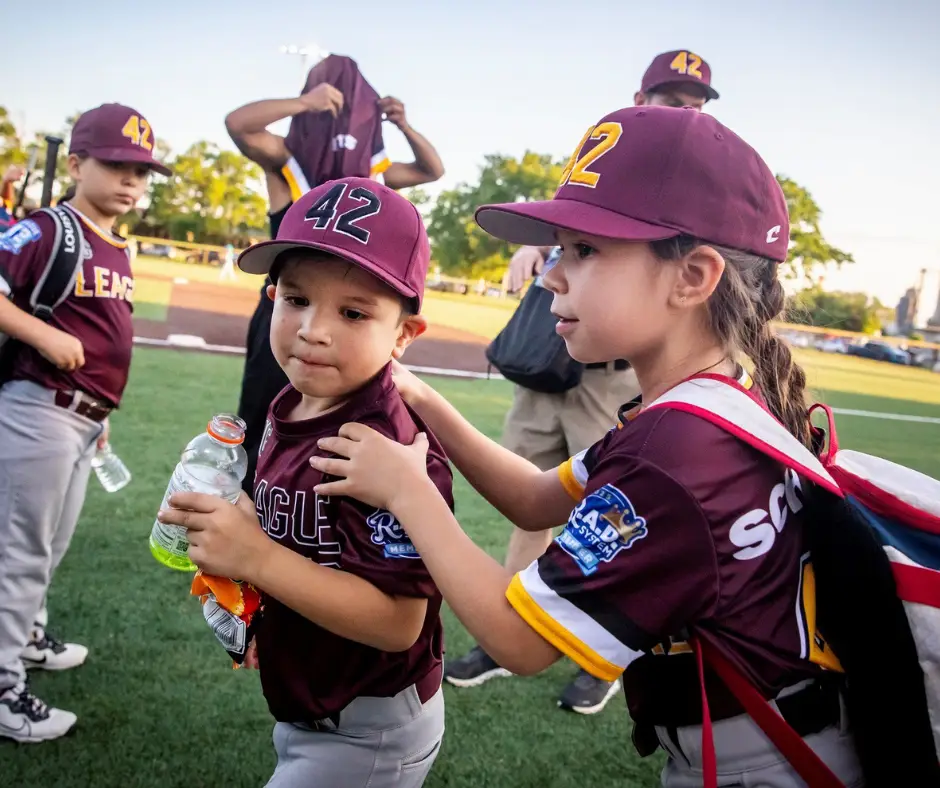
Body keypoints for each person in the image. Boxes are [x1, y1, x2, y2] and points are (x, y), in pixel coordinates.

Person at [303, 106, 866, 786]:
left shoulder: (677, 454)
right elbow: (537, 500)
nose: (550, 277)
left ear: (693, 276)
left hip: (767, 761)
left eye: (585, 251)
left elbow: (520, 642)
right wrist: (423, 398)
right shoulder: (697, 409)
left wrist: (407, 491)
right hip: (778, 736)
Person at [443, 48, 720, 716]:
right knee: (533, 493)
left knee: (614, 514)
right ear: (640, 97)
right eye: (669, 97)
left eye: (694, 102)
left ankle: (610, 652)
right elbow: (530, 500)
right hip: (551, 361)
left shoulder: (703, 184)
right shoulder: (608, 158)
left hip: (611, 377)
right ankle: (512, 619)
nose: (682, 110)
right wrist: (542, 240)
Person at [157, 177, 450, 788]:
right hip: (314, 693)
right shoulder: (292, 399)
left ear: (404, 334)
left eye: (352, 312)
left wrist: (257, 556)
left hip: (368, 721)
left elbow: (399, 622)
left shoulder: (387, 447)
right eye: (294, 300)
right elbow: (302, 538)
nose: (313, 329)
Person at [0, 103, 170, 742]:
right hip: (36, 408)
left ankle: (28, 636)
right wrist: (41, 333)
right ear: (76, 164)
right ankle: (2, 687)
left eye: (142, 172)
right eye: (117, 166)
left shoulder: (115, 243)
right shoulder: (48, 228)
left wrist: (99, 420)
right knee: (18, 554)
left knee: (47, 547)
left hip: (79, 419)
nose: (132, 181)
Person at [226, 54, 444, 493]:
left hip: (335, 321)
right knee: (260, 425)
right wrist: (303, 103)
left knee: (338, 429)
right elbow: (238, 124)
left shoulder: (372, 174)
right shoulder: (288, 162)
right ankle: (250, 507)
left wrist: (403, 125)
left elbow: (432, 169)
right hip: (283, 311)